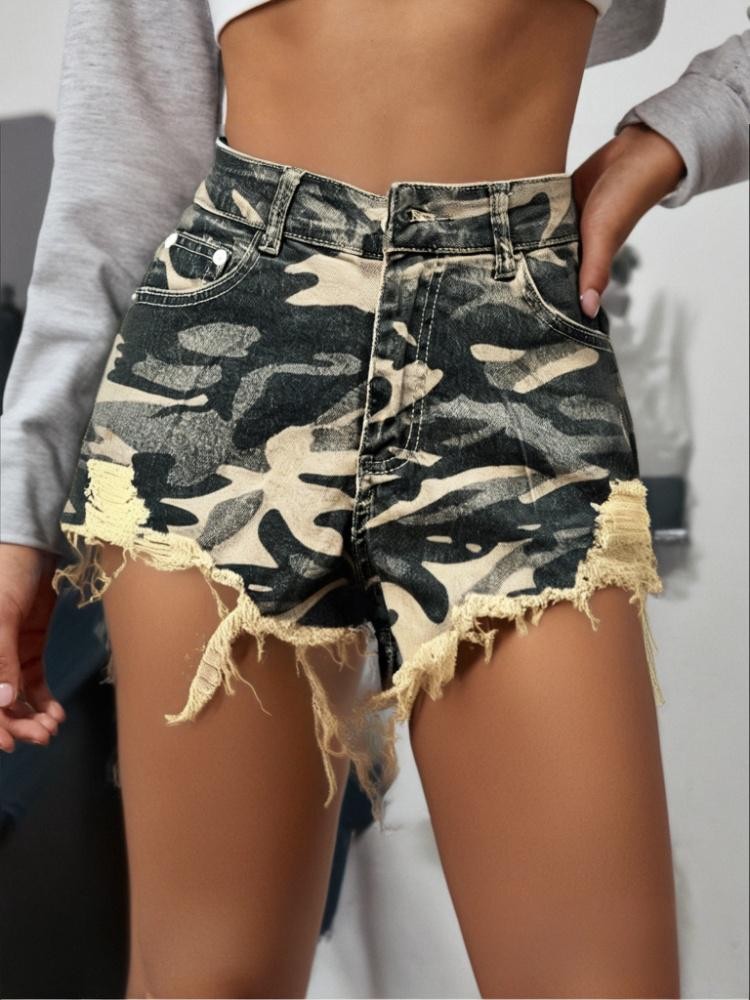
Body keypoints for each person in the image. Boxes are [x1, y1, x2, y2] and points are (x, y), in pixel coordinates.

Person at [0, 0, 747, 995]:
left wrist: (679, 133)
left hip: (511, 356)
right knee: (206, 980)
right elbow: (121, 166)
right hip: (226, 356)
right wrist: (19, 511)